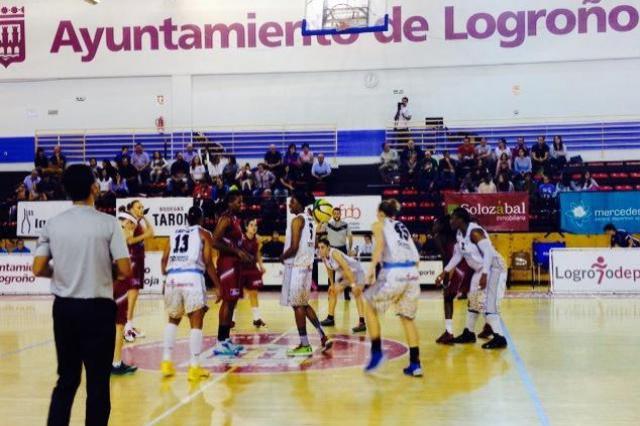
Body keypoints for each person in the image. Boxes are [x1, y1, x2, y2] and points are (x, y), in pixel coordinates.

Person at [32, 164, 132, 426]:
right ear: (94, 188)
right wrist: (102, 269)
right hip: (98, 309)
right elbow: (124, 269)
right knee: (98, 383)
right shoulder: (109, 223)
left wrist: (64, 269)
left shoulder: (53, 224)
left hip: (64, 309)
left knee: (66, 380)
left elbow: (38, 268)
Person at [362, 199, 422, 377]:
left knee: (369, 306)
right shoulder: (402, 227)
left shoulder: (379, 224)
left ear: (381, 213)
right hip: (412, 272)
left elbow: (379, 246)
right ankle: (415, 364)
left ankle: (376, 352)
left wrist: (371, 269)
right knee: (407, 319)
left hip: (394, 271)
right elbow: (416, 257)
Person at [160, 206, 220, 381]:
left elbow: (164, 259)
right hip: (192, 276)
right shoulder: (204, 234)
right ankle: (194, 367)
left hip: (173, 277)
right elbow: (208, 262)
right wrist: (218, 285)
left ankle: (166, 363)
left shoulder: (174, 232)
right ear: (201, 219)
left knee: (173, 319)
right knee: (196, 321)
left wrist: (169, 276)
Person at [437, 208, 508, 350]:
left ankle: (500, 337)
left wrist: (485, 274)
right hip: (480, 269)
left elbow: (488, 253)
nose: (450, 221)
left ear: (461, 220)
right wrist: (444, 272)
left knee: (488, 303)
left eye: (453, 218)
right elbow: (458, 255)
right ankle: (469, 333)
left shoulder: (475, 232)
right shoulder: (459, 234)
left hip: (494, 268)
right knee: (473, 300)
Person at [280, 191, 332, 356]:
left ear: (300, 204)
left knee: (297, 306)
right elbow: (314, 243)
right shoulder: (310, 219)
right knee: (303, 303)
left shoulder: (298, 220)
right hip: (308, 267)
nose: (290, 204)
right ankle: (323, 336)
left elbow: (294, 247)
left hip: (298, 267)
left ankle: (304, 344)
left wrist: (282, 257)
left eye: (292, 201)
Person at [211, 191, 253, 356]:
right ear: (229, 203)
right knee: (228, 302)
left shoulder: (236, 219)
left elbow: (234, 243)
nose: (241, 204)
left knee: (233, 302)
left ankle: (226, 339)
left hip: (235, 263)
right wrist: (236, 252)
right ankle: (220, 342)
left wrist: (244, 253)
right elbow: (214, 241)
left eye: (242, 202)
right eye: (238, 202)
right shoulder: (226, 218)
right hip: (227, 264)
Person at [431, 216, 473, 345]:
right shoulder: (457, 234)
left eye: (435, 223)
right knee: (474, 299)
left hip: (458, 269)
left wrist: (446, 277)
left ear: (441, 225)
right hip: (469, 267)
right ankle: (484, 326)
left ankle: (449, 332)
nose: (433, 226)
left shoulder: (439, 237)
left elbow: (448, 257)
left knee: (448, 298)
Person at [119, 200, 154, 342]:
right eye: (138, 207)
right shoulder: (128, 220)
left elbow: (152, 232)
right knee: (132, 293)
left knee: (135, 293)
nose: (141, 209)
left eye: (142, 207)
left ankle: (129, 325)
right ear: (131, 208)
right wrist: (145, 235)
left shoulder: (137, 220)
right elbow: (129, 240)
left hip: (139, 259)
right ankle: (126, 327)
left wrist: (144, 217)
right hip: (132, 260)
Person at [318, 239, 367, 333]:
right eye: (319, 248)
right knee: (333, 291)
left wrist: (353, 286)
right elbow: (329, 270)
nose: (320, 250)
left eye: (322, 247)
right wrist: (331, 285)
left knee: (357, 294)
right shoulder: (324, 257)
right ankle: (330, 318)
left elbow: (347, 268)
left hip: (356, 271)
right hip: (345, 274)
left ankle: (362, 323)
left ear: (328, 247)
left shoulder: (334, 253)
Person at [320, 206, 353, 308]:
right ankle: (331, 292)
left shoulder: (345, 225)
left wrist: (349, 249)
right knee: (330, 272)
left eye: (338, 213)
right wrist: (321, 221)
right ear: (332, 214)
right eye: (335, 213)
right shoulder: (328, 224)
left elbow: (350, 237)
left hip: (342, 249)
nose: (336, 215)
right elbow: (320, 231)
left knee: (345, 273)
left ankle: (346, 294)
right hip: (331, 248)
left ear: (340, 214)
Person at [239, 219, 267, 328]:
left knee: (254, 293)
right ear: (246, 227)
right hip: (241, 268)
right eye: (251, 225)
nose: (254, 227)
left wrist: (261, 265)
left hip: (252, 269)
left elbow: (257, 253)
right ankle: (231, 320)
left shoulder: (258, 239)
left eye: (255, 225)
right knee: (236, 296)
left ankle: (256, 319)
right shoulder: (241, 238)